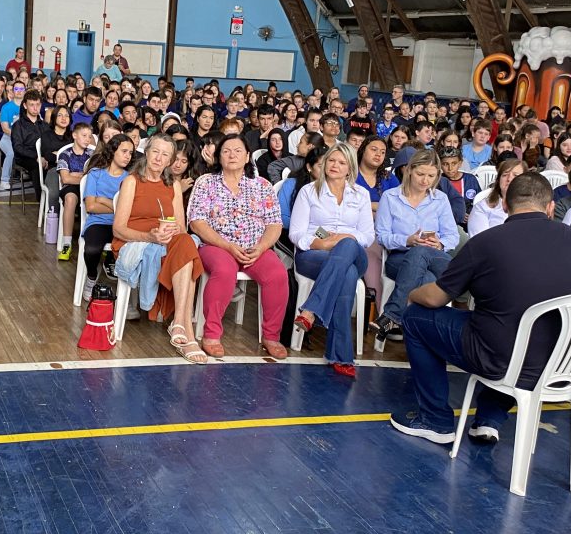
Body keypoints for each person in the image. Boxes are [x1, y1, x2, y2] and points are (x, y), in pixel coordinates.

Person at [389, 172, 571, 444]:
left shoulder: (486, 242)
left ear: (505, 206)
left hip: (497, 358)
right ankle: (489, 419)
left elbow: (435, 299)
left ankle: (435, 421)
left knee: (417, 317)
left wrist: (413, 295)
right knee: (518, 333)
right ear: (549, 207)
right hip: (561, 365)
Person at [187, 134, 288, 360]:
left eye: (238, 151)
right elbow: (197, 221)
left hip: (255, 247)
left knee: (277, 274)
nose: (232, 155)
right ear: (218, 157)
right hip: (217, 245)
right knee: (224, 270)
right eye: (226, 151)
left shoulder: (262, 186)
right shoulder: (206, 183)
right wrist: (228, 246)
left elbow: (274, 223)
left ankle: (272, 336)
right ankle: (211, 335)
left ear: (248, 156)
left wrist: (261, 247)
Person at [113, 133, 206, 362]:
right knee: (188, 252)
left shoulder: (173, 184)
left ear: (170, 160)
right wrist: (150, 237)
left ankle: (180, 325)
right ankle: (185, 328)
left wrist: (168, 233)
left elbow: (182, 227)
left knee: (185, 242)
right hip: (135, 240)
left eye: (165, 154)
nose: (159, 158)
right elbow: (118, 229)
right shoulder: (132, 181)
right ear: (147, 152)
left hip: (167, 241)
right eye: (155, 151)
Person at [288, 143, 373, 375]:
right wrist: (321, 242)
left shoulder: (361, 195)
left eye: (341, 162)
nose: (335, 166)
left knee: (347, 245)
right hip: (314, 254)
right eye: (331, 161)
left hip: (354, 255)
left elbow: (367, 236)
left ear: (350, 168)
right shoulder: (309, 191)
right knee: (345, 274)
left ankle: (312, 309)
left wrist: (344, 238)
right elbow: (296, 233)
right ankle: (341, 357)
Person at [373, 149, 459, 345]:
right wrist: (407, 240)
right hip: (400, 258)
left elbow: (452, 236)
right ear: (409, 170)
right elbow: (382, 236)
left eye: (431, 176)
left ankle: (392, 316)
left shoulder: (440, 199)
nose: (425, 181)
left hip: (435, 256)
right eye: (420, 174)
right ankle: (428, 338)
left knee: (426, 256)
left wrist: (440, 243)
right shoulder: (390, 197)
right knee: (427, 277)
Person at [79, 134, 135, 299]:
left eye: (130, 153)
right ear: (113, 151)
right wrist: (117, 206)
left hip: (123, 224)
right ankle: (91, 278)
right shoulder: (95, 174)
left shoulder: (130, 179)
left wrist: (103, 200)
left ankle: (128, 298)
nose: (128, 156)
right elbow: (90, 206)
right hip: (98, 223)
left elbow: (129, 211)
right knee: (91, 250)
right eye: (124, 151)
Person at [55, 122, 94, 260]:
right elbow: (65, 179)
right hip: (71, 188)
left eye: (89, 136)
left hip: (90, 188)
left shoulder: (92, 154)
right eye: (84, 135)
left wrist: (76, 175)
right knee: (70, 199)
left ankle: (95, 241)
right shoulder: (65, 154)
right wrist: (83, 176)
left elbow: (96, 177)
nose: (87, 139)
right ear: (74, 135)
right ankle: (67, 243)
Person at [467, 159, 524, 237]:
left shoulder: (533, 207)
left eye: (515, 175)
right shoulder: (482, 207)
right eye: (505, 175)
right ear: (498, 180)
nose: (509, 179)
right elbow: (479, 242)